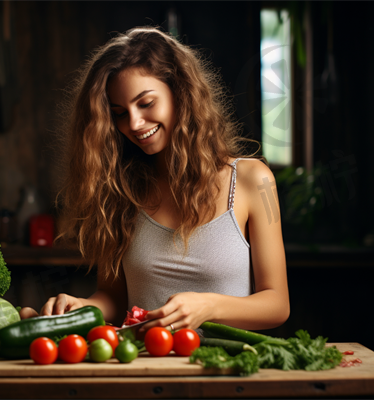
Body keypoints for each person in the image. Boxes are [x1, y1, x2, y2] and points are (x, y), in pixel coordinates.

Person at [20, 27, 289, 333]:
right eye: (119, 113)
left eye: (146, 103)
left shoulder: (256, 180)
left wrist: (209, 307)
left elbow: (277, 304)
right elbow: (114, 298)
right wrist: (80, 307)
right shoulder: (120, 191)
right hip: (143, 368)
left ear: (181, 93)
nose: (133, 124)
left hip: (226, 372)